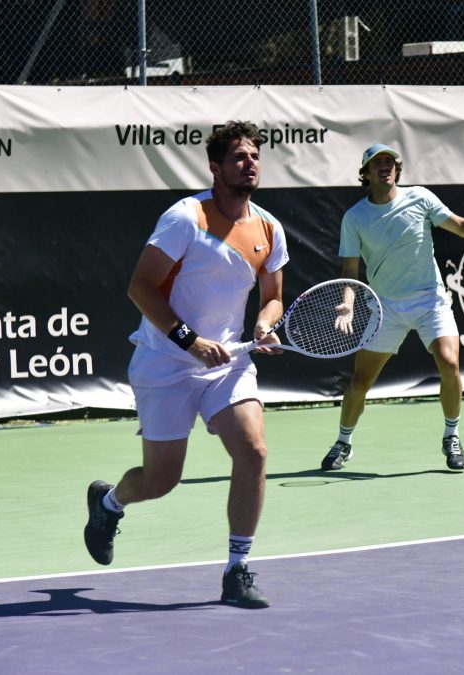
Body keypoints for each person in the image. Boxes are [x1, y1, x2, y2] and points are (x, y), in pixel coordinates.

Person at [83, 121, 288, 609]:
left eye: (255, 155)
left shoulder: (268, 228)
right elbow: (141, 287)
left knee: (254, 452)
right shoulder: (185, 218)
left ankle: (237, 570)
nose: (250, 163)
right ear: (215, 167)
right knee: (161, 480)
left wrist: (262, 325)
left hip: (228, 365)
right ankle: (109, 503)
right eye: (239, 157)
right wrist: (188, 340)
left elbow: (274, 297)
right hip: (164, 364)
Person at [320, 143, 464, 472]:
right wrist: (347, 304)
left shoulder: (421, 198)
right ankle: (343, 442)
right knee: (359, 383)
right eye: (377, 163)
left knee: (449, 362)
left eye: (390, 162)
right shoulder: (354, 218)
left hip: (430, 298)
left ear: (397, 169)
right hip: (385, 306)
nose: (385, 167)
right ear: (366, 172)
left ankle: (451, 435)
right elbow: (350, 271)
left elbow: (458, 225)